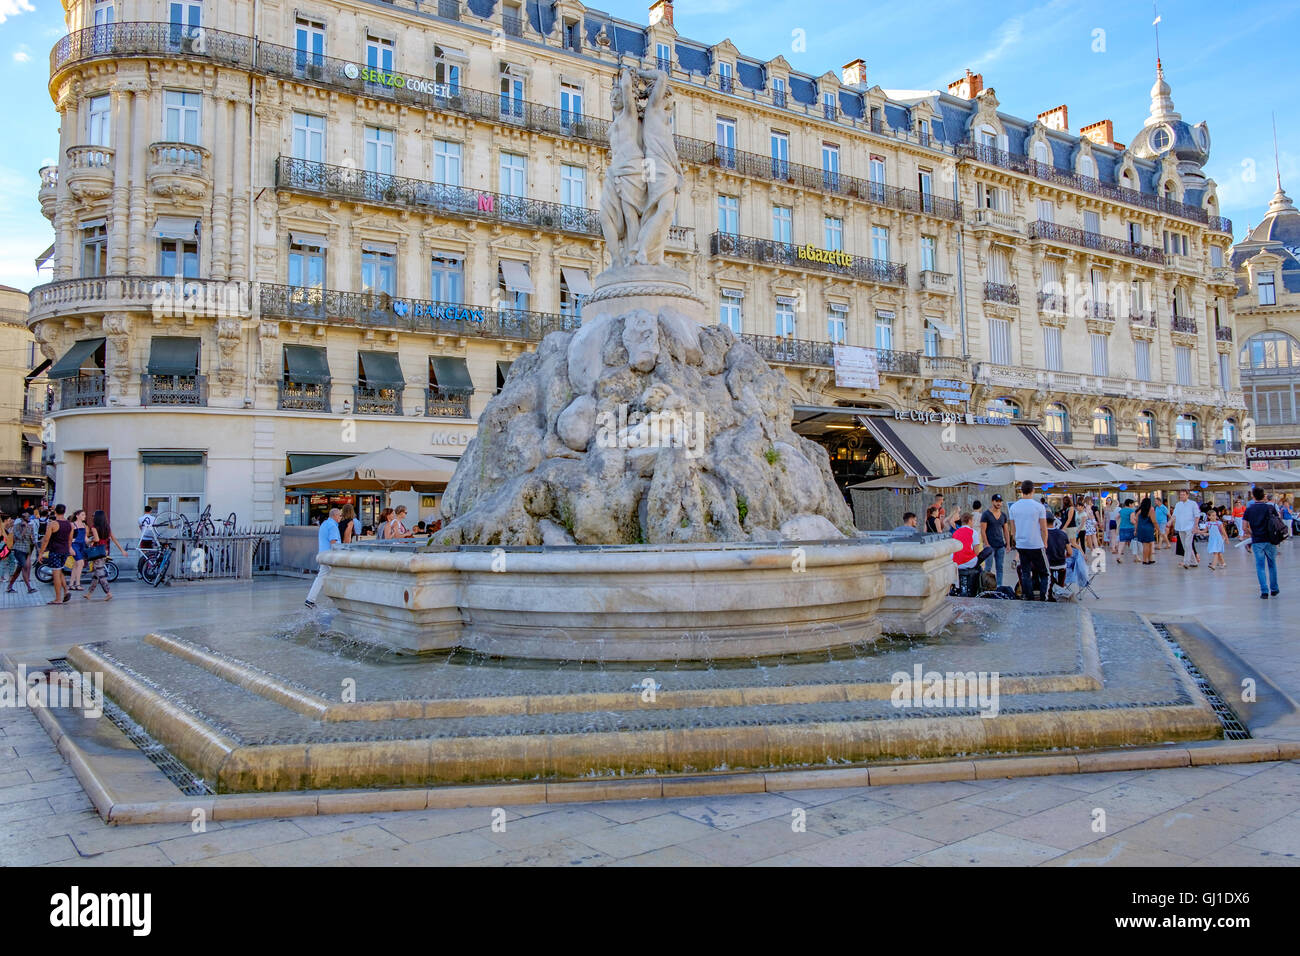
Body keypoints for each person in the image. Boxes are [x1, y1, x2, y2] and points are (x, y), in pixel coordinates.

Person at [1007, 479, 1049, 601]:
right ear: (1033, 491)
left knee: (1025, 573)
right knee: (1045, 572)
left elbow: (1012, 529)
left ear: (1021, 491)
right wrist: (1045, 542)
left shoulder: (1013, 507)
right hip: (1036, 544)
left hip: (1021, 544)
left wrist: (1016, 540)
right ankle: (1043, 596)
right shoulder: (1039, 507)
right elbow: (1043, 528)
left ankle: (1028, 597)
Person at [1242, 487, 1282, 599]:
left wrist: (1253, 533)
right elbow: (1278, 522)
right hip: (1270, 540)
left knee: (1260, 566)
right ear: (1264, 496)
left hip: (1257, 540)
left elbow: (1244, 527)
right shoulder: (1270, 508)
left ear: (1253, 496)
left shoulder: (1249, 510)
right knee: (1272, 564)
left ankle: (1264, 591)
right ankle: (1274, 589)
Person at [83, 510, 127, 601]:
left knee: (100, 573)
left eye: (93, 516)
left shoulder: (94, 527)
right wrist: (122, 550)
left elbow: (96, 539)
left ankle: (108, 593)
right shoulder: (107, 527)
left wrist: (89, 540)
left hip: (97, 552)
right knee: (96, 574)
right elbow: (114, 539)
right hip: (104, 551)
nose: (92, 517)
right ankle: (89, 593)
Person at [305, 507, 342, 609]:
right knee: (340, 576)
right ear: (335, 516)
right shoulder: (333, 526)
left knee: (321, 577)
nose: (340, 517)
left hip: (323, 555)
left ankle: (310, 600)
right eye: (339, 515)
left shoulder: (324, 524)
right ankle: (342, 601)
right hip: (331, 556)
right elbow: (334, 542)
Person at [37, 504, 74, 605]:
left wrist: (41, 553)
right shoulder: (70, 524)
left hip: (55, 551)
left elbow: (46, 540)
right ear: (64, 511)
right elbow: (70, 539)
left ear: (55, 512)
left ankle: (58, 598)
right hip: (65, 551)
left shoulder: (53, 524)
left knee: (56, 575)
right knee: (60, 571)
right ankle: (66, 590)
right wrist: (68, 548)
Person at [979, 494, 1008, 587]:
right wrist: (986, 544)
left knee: (1000, 567)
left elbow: (1006, 530)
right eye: (996, 501)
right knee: (988, 567)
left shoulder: (1003, 515)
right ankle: (986, 586)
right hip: (990, 545)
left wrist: (1008, 544)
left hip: (1000, 545)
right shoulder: (986, 514)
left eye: (1000, 501)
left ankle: (999, 586)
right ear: (992, 502)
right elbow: (983, 530)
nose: (998, 503)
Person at [6, 508, 37, 594]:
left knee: (19, 569)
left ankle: (9, 586)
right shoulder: (17, 526)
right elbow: (18, 537)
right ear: (23, 517)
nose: (29, 518)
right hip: (18, 549)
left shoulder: (30, 526)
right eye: (27, 516)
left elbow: (33, 538)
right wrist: (24, 528)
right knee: (24, 567)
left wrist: (38, 549)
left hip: (26, 550)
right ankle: (29, 588)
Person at [1169, 489, 1201, 569]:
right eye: (1181, 494)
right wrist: (1169, 522)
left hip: (1190, 526)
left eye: (1183, 494)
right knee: (1185, 545)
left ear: (1187, 495)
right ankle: (1194, 562)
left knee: (1188, 544)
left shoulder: (1193, 504)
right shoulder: (1178, 504)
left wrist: (1196, 526)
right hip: (1180, 527)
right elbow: (1174, 515)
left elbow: (1197, 515)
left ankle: (1186, 562)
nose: (1181, 496)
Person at [68, 509, 88, 591]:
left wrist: (91, 541)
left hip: (82, 546)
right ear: (77, 516)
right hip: (75, 545)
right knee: (80, 563)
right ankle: (78, 584)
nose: (84, 516)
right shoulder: (72, 525)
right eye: (82, 515)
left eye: (84, 515)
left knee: (76, 565)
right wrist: (70, 547)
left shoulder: (84, 525)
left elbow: (85, 538)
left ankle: (71, 584)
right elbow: (69, 537)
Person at [1135, 497, 1158, 565]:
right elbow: (1154, 521)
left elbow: (1136, 520)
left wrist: (1136, 530)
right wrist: (1158, 529)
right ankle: (1145, 560)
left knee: (1147, 544)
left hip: (1141, 529)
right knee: (1147, 545)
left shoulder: (1140, 510)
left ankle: (1149, 559)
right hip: (1148, 529)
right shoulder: (1151, 510)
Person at [1205, 506, 1227, 571]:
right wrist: (1198, 531)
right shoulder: (1208, 523)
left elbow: (1223, 532)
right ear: (1209, 517)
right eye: (1213, 515)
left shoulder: (1219, 523)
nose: (1214, 517)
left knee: (1216, 553)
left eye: (1215, 515)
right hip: (1212, 540)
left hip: (1219, 540)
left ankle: (1213, 565)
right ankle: (1223, 563)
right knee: (1219, 553)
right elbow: (1205, 531)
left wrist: (1226, 539)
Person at [1116, 498, 1136, 563]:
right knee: (1133, 543)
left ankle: (1119, 556)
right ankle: (1136, 557)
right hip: (1130, 528)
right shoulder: (1131, 511)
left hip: (1122, 528)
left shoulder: (1121, 510)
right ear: (1130, 504)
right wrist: (1137, 523)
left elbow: (1116, 517)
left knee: (1121, 543)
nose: (1133, 505)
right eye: (1133, 504)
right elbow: (1132, 521)